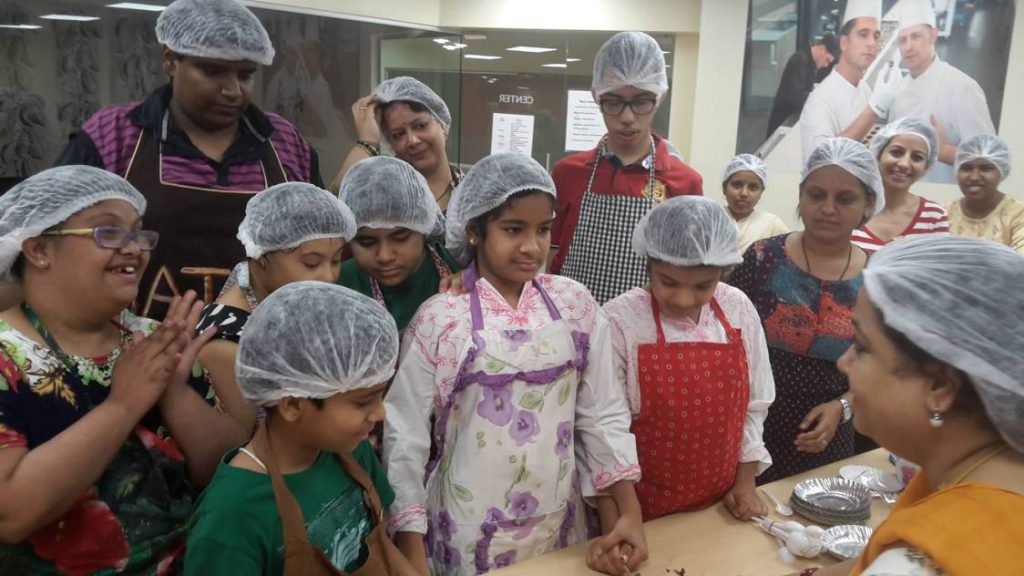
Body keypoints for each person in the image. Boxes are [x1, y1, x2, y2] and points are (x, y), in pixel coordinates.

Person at [383, 154, 646, 576]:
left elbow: (602, 414)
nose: (532, 246)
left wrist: (627, 510)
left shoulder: (574, 304)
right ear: (473, 231)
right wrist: (410, 543)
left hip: (560, 519)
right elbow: (405, 438)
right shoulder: (440, 319)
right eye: (512, 229)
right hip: (464, 531)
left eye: (543, 229)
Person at [0, 166, 245, 573]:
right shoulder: (9, 359)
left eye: (138, 233)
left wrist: (174, 392)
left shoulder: (153, 339)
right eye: (109, 232)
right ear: (39, 249)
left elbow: (227, 469)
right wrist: (125, 403)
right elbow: (12, 515)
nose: (134, 248)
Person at [55, 0, 324, 318]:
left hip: (262, 349)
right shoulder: (115, 135)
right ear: (170, 60)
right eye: (212, 71)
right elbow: (56, 240)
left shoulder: (284, 142)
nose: (233, 91)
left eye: (246, 75)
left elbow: (320, 245)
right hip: (139, 349)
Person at [808, 236, 1024, 576]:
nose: (844, 363)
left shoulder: (924, 561)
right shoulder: (987, 470)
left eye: (861, 347)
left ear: (939, 386)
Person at [186, 282, 421, 575]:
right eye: (363, 402)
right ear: (293, 405)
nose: (380, 412)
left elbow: (384, 546)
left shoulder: (349, 451)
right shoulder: (232, 518)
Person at [603, 196, 775, 522]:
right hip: (639, 508)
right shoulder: (620, 320)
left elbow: (755, 405)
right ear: (648, 263)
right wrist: (623, 517)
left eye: (703, 286)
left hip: (720, 505)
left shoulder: (737, 307)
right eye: (668, 282)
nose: (683, 299)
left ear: (723, 273)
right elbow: (607, 428)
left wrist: (745, 483)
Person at [729, 138, 880, 484]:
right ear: (801, 195)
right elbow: (723, 341)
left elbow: (883, 365)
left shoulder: (876, 279)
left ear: (867, 203)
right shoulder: (763, 259)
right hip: (748, 432)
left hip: (829, 434)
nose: (828, 208)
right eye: (816, 195)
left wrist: (843, 407)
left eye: (844, 198)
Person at [551, 31, 703, 304]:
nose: (627, 117)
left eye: (641, 101)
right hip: (572, 321)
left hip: (645, 328)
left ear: (659, 98)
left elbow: (686, 272)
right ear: (598, 98)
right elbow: (552, 252)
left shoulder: (685, 183)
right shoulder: (567, 173)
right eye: (614, 102)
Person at [195, 182, 357, 434]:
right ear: (261, 256)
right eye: (311, 263)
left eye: (336, 260)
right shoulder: (229, 346)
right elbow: (239, 445)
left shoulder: (286, 304)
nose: (328, 276)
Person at [338, 156, 460, 332]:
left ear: (424, 227)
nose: (385, 256)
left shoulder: (459, 268)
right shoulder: (341, 284)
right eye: (366, 242)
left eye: (400, 237)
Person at [889, 0, 996, 183]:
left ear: (932, 36)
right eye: (903, 39)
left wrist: (944, 150)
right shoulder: (898, 89)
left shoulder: (961, 87)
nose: (908, 47)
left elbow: (990, 160)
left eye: (915, 36)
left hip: (943, 201)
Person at [331, 77, 461, 212]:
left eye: (421, 125)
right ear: (391, 145)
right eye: (398, 135)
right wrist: (368, 143)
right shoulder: (383, 197)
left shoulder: (471, 192)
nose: (412, 140)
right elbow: (336, 209)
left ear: (443, 126)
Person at [800, 0, 900, 164]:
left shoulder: (864, 90)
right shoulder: (820, 100)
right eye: (863, 34)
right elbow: (821, 161)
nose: (871, 43)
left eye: (876, 36)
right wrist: (875, 109)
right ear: (844, 43)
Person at [851, 117, 949, 253]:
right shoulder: (851, 209)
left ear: (927, 166)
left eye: (917, 157)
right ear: (878, 154)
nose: (904, 164)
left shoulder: (934, 217)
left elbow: (937, 272)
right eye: (896, 152)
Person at [945, 134, 1024, 253]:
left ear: (1001, 172)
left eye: (986, 168)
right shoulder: (943, 214)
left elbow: (1020, 265)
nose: (974, 177)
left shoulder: (1018, 214)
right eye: (966, 168)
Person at [766, 34, 839, 137]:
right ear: (822, 49)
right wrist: (820, 98)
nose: (826, 65)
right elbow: (795, 96)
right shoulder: (800, 60)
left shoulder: (811, 64)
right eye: (827, 60)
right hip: (782, 122)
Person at [721, 154, 789, 253]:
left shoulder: (773, 225)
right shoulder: (710, 219)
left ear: (761, 192)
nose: (744, 193)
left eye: (753, 187)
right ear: (724, 188)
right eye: (737, 185)